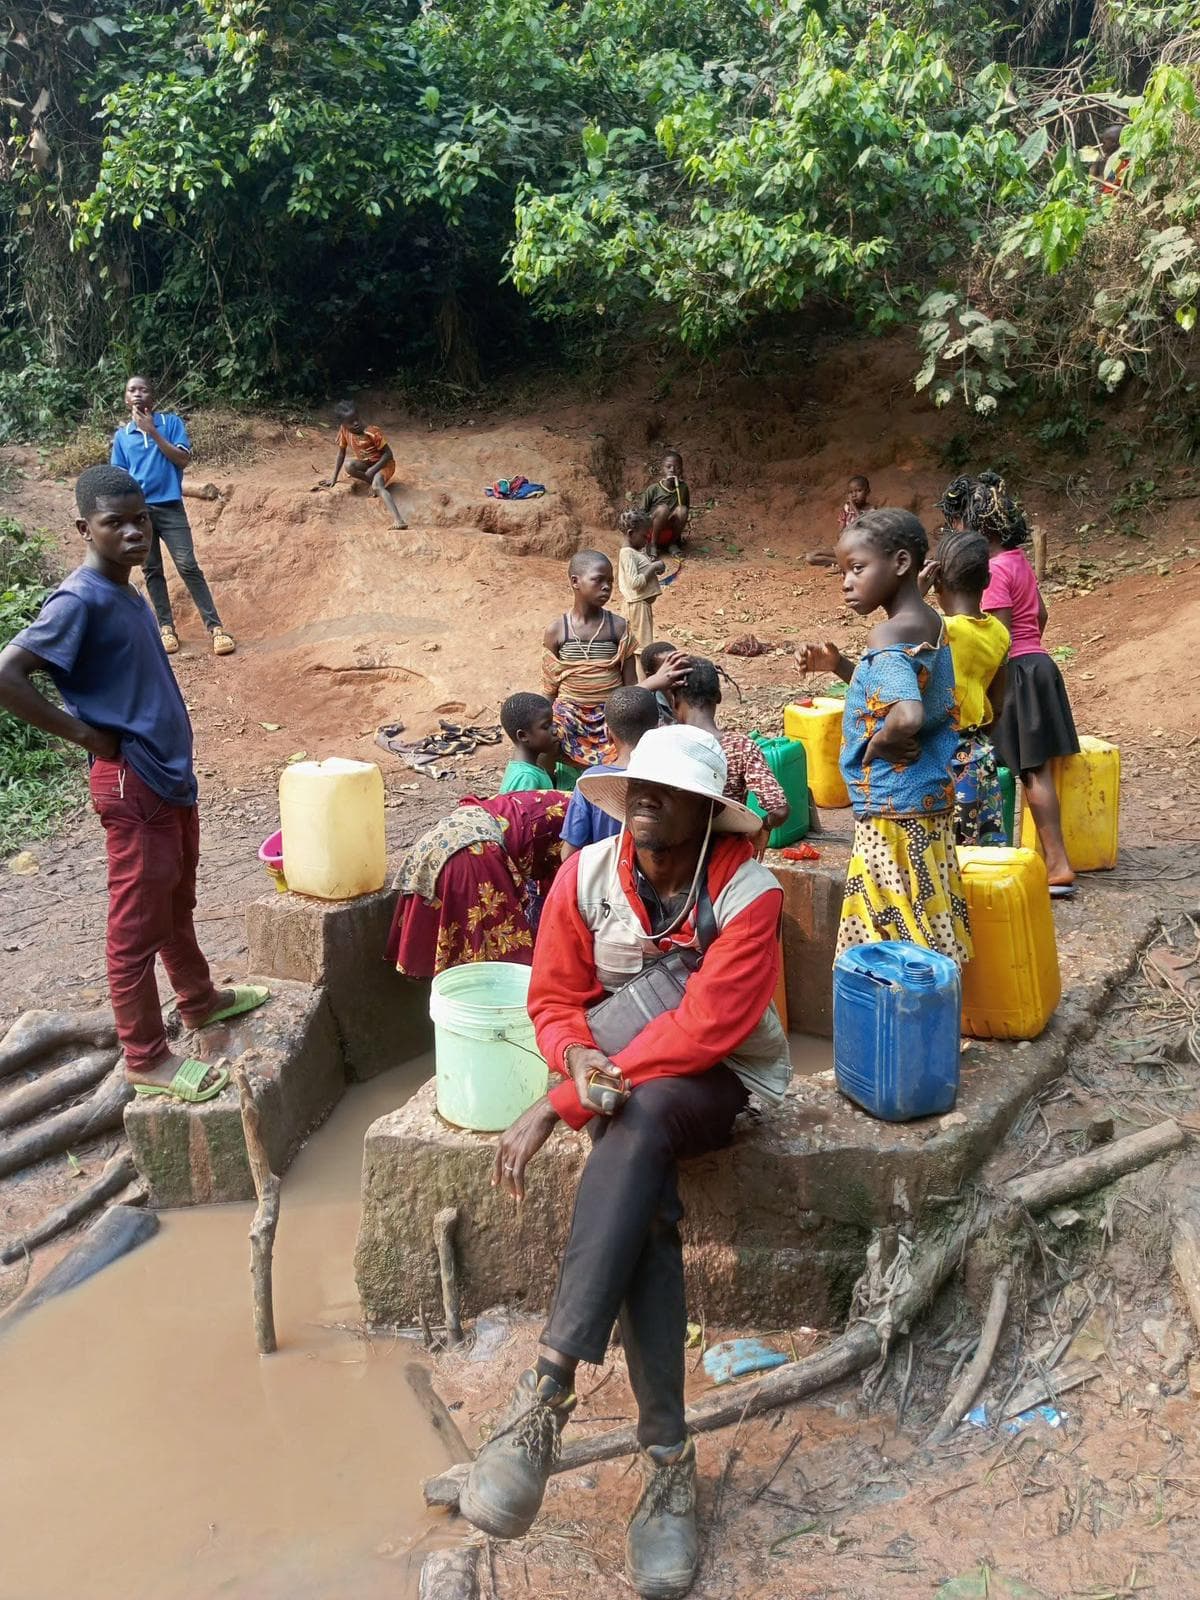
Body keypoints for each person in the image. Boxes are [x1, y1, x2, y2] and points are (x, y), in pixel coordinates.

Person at [459, 725, 789, 1600]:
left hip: (715, 1084)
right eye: (636, 787)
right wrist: (576, 1064)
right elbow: (554, 999)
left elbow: (703, 1032)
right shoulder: (587, 874)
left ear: (708, 816)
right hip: (622, 1086)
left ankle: (545, 1390)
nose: (643, 800)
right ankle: (667, 1458)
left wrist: (562, 1103)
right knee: (635, 1147)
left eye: (666, 792)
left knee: (638, 1116)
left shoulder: (751, 895)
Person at [0, 465, 268, 1102]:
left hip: (167, 778)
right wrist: (90, 738)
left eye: (140, 519)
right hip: (133, 784)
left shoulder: (128, 588)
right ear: (83, 529)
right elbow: (8, 675)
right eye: (113, 523)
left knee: (175, 904)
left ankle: (199, 1002)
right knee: (135, 927)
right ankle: (145, 1057)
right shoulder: (79, 598)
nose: (131, 532)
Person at [797, 508, 972, 965]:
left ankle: (899, 1017)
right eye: (842, 572)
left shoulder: (886, 633)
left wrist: (879, 745)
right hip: (925, 800)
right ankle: (936, 1007)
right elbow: (906, 689)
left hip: (892, 814)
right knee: (925, 913)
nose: (846, 582)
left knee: (890, 931)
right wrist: (839, 667)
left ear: (899, 563)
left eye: (857, 568)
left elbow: (908, 713)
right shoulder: (929, 622)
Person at [972, 473, 1080, 893]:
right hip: (1039, 664)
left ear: (980, 528)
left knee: (1030, 771)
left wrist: (987, 686)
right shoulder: (1018, 560)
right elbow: (1042, 616)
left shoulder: (995, 570)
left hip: (1016, 671)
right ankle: (1050, 859)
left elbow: (997, 639)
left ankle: (1057, 864)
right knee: (1038, 770)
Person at [109, 375, 235, 657]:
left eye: (143, 389)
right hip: (139, 515)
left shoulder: (171, 424)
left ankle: (215, 628)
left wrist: (153, 431)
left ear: (152, 396)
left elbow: (182, 460)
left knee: (188, 565)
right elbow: (119, 478)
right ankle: (166, 628)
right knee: (151, 569)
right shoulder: (122, 437)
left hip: (170, 507)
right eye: (132, 390)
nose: (138, 394)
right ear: (126, 398)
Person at [384, 790, 567, 977]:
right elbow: (567, 881)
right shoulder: (580, 815)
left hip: (442, 838)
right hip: (475, 854)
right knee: (500, 968)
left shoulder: (556, 798)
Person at [924, 529, 1010, 846]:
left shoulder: (941, 629)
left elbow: (900, 658)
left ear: (937, 582)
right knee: (980, 848)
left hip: (941, 753)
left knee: (945, 850)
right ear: (987, 582)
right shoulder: (1000, 633)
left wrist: (916, 597)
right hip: (979, 754)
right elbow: (998, 705)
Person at [669, 657, 789, 850]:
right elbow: (779, 810)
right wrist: (762, 828)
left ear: (674, 700)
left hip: (677, 851)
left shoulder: (666, 742)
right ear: (718, 697)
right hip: (727, 855)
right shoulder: (740, 747)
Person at [542, 550, 638, 774]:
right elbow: (549, 685)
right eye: (599, 580)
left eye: (611, 582)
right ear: (575, 582)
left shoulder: (618, 627)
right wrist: (543, 721)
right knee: (546, 738)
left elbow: (631, 684)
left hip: (611, 710)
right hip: (569, 711)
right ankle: (547, 792)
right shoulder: (557, 630)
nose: (607, 587)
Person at [559, 685, 659, 860]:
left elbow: (569, 855)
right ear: (657, 730)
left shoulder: (591, 781)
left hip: (607, 881)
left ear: (607, 732)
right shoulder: (670, 776)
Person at [317, 399, 407, 529]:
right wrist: (334, 478)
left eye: (356, 419)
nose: (356, 423)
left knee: (377, 486)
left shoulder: (372, 432)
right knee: (348, 466)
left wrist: (374, 468)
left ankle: (399, 521)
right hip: (368, 464)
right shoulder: (344, 431)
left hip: (385, 465)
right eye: (350, 422)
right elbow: (341, 453)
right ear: (343, 424)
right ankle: (374, 481)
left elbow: (388, 454)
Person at [617, 509, 668, 656]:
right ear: (631, 533)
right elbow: (635, 583)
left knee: (637, 649)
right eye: (645, 536)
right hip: (637, 608)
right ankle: (641, 678)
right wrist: (652, 568)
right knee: (641, 651)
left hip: (640, 607)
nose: (647, 540)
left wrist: (654, 568)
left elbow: (642, 572)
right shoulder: (627, 553)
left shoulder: (635, 552)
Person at [498, 692, 560, 794]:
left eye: (552, 723)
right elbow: (523, 809)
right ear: (523, 736)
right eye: (546, 726)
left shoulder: (530, 768)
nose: (554, 730)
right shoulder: (526, 778)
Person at [638, 449, 690, 555]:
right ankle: (653, 545)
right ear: (662, 469)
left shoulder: (683, 488)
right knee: (663, 509)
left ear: (681, 470)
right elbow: (641, 514)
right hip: (652, 530)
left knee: (682, 510)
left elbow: (684, 512)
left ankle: (672, 544)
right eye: (668, 467)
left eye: (677, 467)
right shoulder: (653, 489)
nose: (672, 470)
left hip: (669, 531)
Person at [642, 641, 680, 725]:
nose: (676, 671)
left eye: (677, 664)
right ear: (650, 676)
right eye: (667, 669)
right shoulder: (647, 703)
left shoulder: (688, 692)